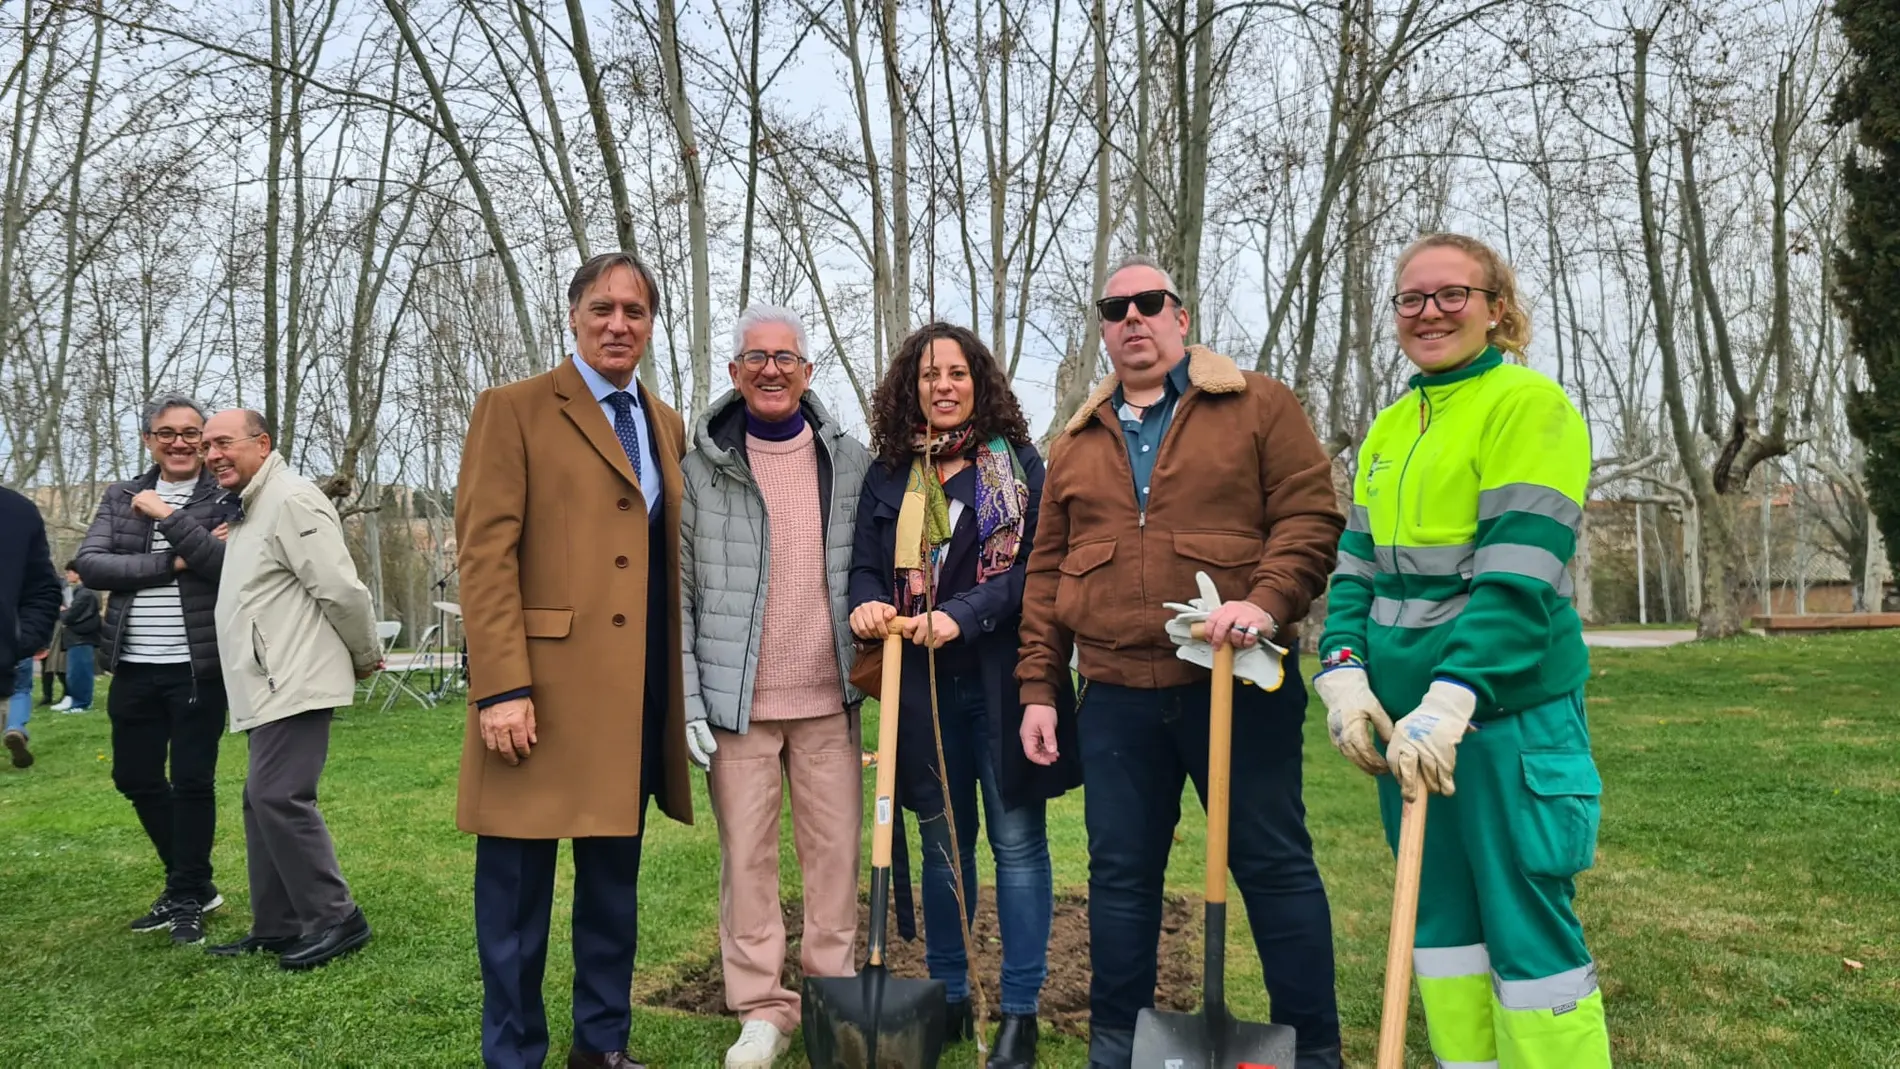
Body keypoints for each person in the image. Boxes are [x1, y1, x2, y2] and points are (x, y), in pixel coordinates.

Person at [1015, 256, 1344, 1069]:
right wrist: (1039, 687)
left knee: (1272, 864)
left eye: (1150, 302)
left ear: (1181, 316)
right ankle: (1119, 1045)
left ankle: (1317, 1049)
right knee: (1120, 878)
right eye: (1115, 307)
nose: (1133, 318)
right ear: (1103, 325)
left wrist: (1263, 601)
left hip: (1237, 681)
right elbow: (1046, 575)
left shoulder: (1258, 406)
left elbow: (1309, 516)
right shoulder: (1077, 442)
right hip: (1119, 695)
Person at [1314, 232, 1611, 1068]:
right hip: (1411, 729)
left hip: (1500, 722)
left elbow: (1516, 579)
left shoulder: (1530, 408)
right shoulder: (1390, 429)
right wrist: (1343, 671)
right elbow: (1356, 569)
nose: (1430, 312)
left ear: (1497, 310)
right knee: (1440, 931)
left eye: (1452, 295)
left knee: (1527, 934)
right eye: (1412, 298)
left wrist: (1450, 699)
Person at [456, 251, 694, 1069]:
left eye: (634, 311)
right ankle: (514, 1054)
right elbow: (484, 557)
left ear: (651, 324)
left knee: (611, 896)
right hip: (537, 700)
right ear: (574, 316)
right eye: (602, 309)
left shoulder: (666, 423)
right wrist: (503, 688)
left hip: (630, 703)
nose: (618, 324)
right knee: (515, 904)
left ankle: (602, 1048)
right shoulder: (513, 409)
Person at [850, 322, 1080, 1069]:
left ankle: (1018, 1010)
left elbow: (1032, 571)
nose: (942, 385)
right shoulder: (889, 474)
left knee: (1016, 843)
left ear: (978, 381)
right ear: (908, 387)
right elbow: (862, 567)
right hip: (917, 686)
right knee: (942, 843)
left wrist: (964, 615)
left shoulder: (1015, 466)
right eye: (927, 375)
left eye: (956, 372)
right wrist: (865, 605)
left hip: (1000, 680)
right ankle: (948, 994)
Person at [678, 305, 873, 1069]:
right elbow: (683, 598)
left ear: (807, 371)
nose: (770, 369)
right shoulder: (701, 470)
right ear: (733, 372)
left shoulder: (850, 461)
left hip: (828, 700)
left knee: (835, 859)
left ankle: (831, 998)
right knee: (747, 862)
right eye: (755, 357)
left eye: (784, 357)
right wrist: (693, 700)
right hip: (740, 709)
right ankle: (762, 1008)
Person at [199, 409, 381, 969]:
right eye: (207, 446)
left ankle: (336, 918)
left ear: (262, 443)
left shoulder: (291, 499)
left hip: (295, 677)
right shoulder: (252, 507)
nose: (212, 455)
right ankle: (278, 924)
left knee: (280, 795)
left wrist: (366, 652)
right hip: (267, 680)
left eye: (223, 443)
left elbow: (340, 589)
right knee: (260, 800)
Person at [75, 394, 239, 944]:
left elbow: (223, 565)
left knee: (192, 781)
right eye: (166, 432)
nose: (180, 442)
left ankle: (188, 892)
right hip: (133, 665)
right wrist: (173, 560)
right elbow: (92, 564)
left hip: (199, 666)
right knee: (135, 777)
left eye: (192, 433)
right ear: (149, 440)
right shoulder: (123, 497)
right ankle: (192, 882)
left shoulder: (224, 497)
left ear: (205, 440)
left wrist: (172, 525)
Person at [3, 486, 60, 770]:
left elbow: (41, 588)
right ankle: (16, 728)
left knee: (22, 688)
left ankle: (15, 727)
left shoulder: (16, 512)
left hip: (4, 667)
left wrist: (18, 640)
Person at [54, 562, 102, 713]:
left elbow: (70, 616)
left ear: (78, 574)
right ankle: (77, 701)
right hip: (79, 640)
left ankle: (81, 703)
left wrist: (62, 612)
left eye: (69, 572)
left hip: (80, 639)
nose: (67, 575)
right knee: (75, 673)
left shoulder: (85, 593)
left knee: (79, 674)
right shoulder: (85, 591)